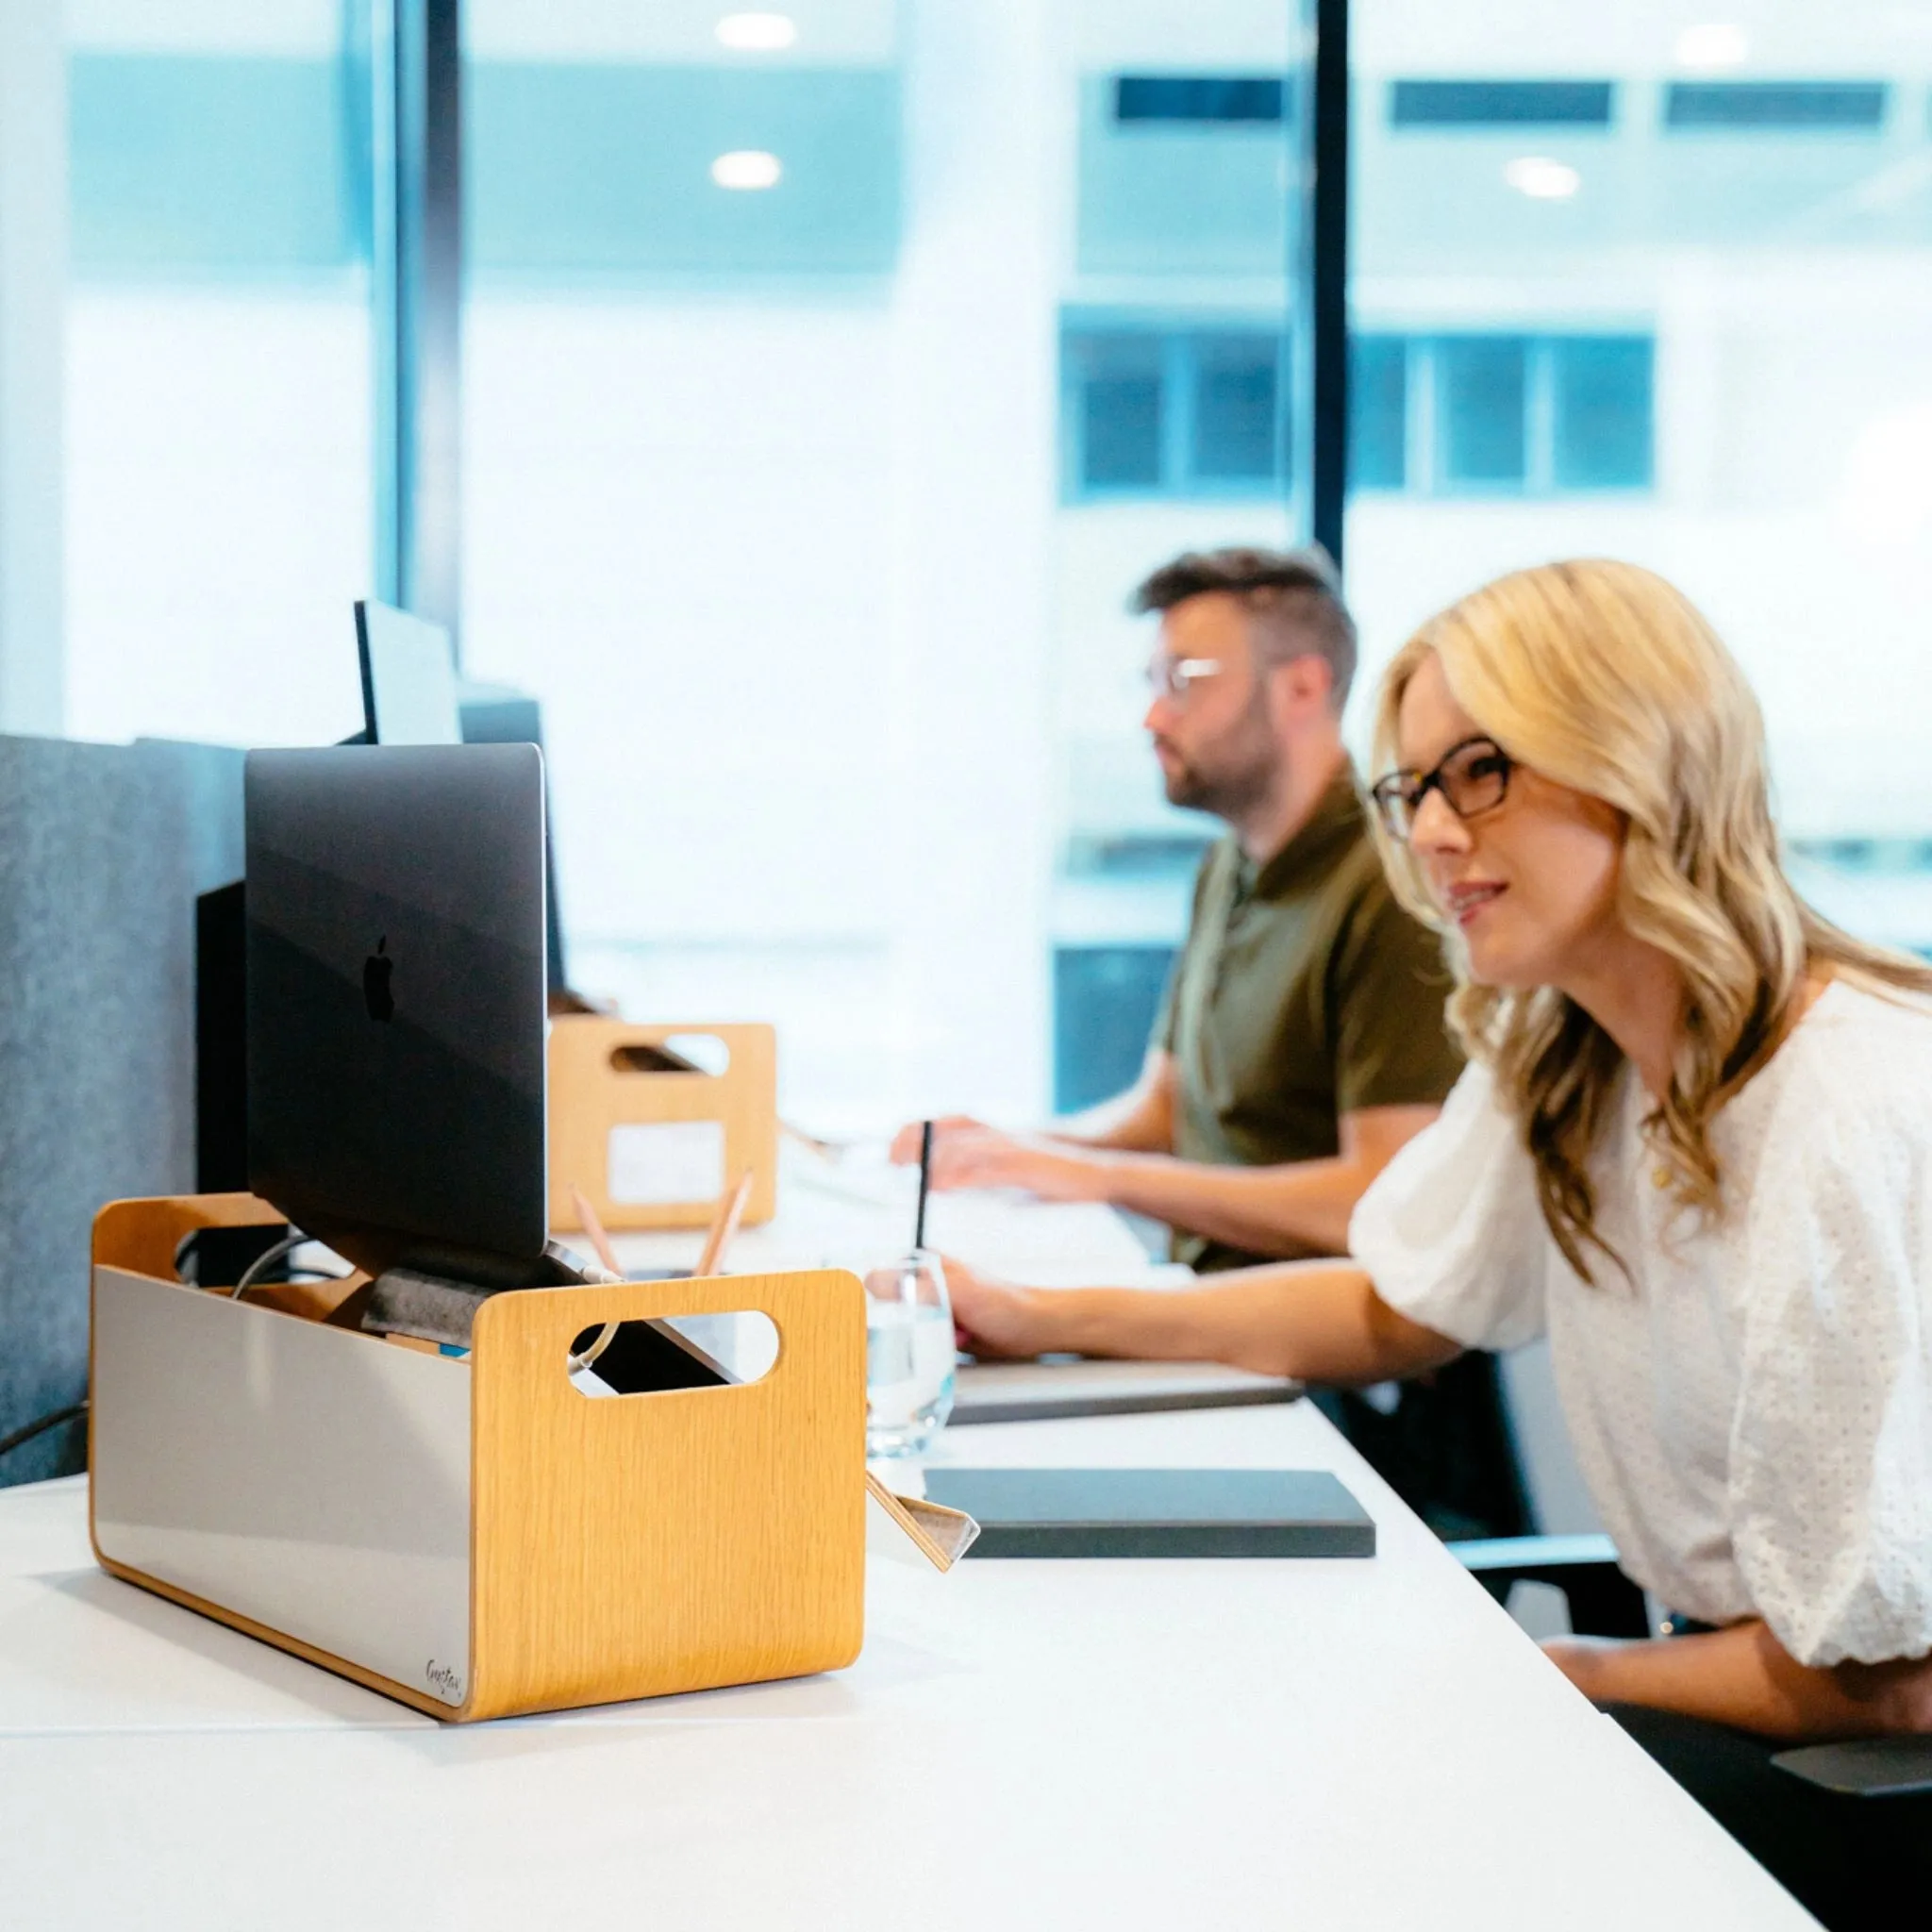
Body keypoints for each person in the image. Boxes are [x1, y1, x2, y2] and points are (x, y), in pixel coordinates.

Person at [944, 558, 1932, 1928]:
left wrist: (1564, 1670)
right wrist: (1034, 1315)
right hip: (1737, 1694)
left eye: (1484, 770)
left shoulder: (1844, 1104)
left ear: (1642, 754)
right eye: (1416, 790)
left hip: (1862, 1770)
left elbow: (1887, 1678)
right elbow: (1397, 1306)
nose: (1436, 834)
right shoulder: (1569, 1050)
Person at [895, 547, 1514, 1534]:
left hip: (1335, 1392)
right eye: (1148, 683)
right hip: (1211, 1316)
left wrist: (1086, 1177)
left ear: (1302, 685)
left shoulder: (1395, 891)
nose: (1152, 715)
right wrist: (1008, 1146)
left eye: (1184, 680)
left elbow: (1372, 1195)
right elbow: (1164, 1108)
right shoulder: (1230, 867)